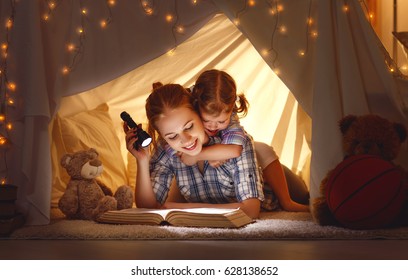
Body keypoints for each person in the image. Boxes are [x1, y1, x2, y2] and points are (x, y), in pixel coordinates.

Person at [124, 82, 264, 219]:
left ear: (198, 111)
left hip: (270, 183)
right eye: (172, 136)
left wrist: (179, 207)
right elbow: (147, 208)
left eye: (189, 127)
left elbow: (251, 210)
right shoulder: (166, 150)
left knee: (266, 152)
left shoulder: (237, 143)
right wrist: (142, 160)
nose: (186, 140)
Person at [184, 69, 309, 212]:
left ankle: (287, 201)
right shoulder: (187, 116)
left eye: (221, 121)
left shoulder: (230, 120)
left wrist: (211, 153)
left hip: (280, 180)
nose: (213, 126)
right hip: (231, 184)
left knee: (260, 148)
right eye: (206, 120)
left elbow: (235, 148)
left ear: (231, 111)